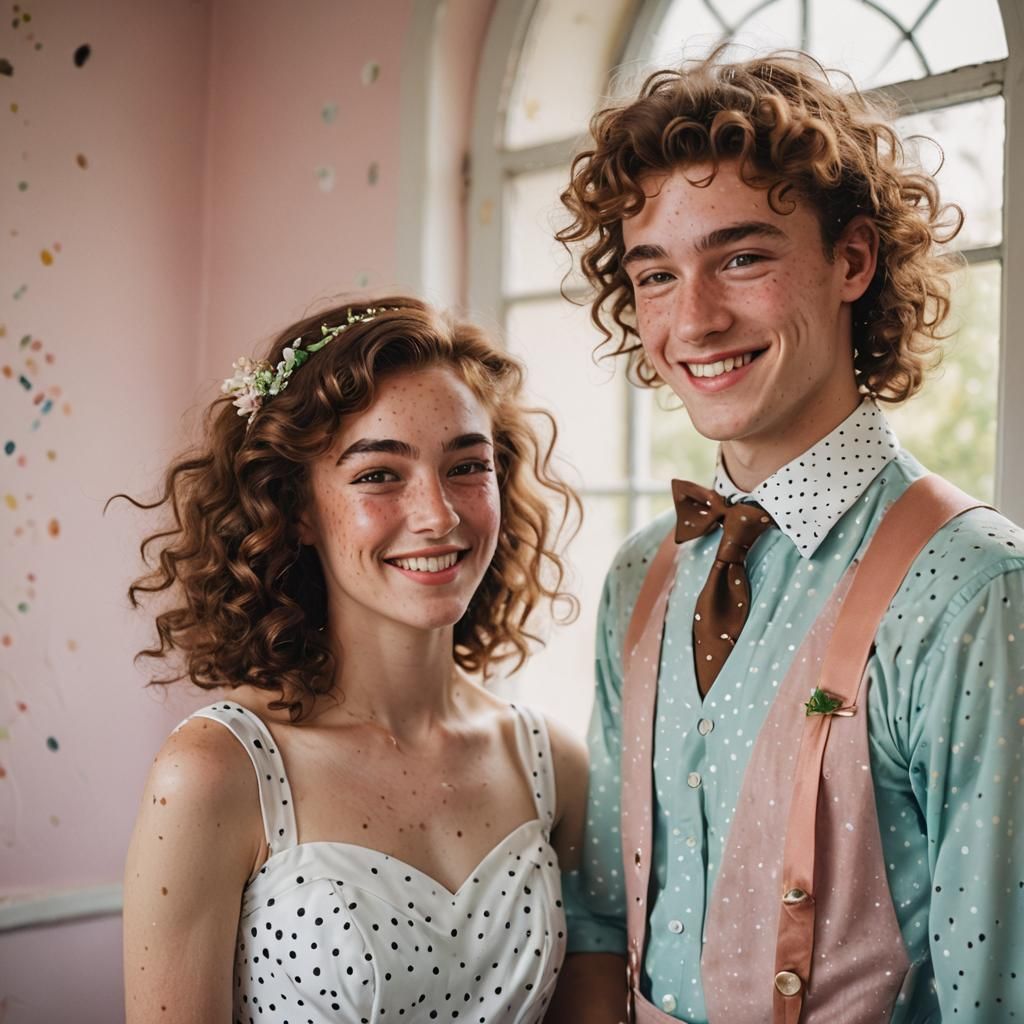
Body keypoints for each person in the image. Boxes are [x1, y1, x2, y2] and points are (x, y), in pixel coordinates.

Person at [546, 48, 1024, 1023]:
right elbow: (598, 919)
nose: (694, 321)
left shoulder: (976, 589)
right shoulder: (641, 572)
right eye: (655, 274)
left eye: (741, 258)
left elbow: (1000, 991)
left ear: (852, 260)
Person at [120, 297, 588, 1024]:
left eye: (467, 466)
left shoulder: (551, 763)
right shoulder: (217, 772)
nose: (439, 515)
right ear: (296, 509)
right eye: (378, 475)